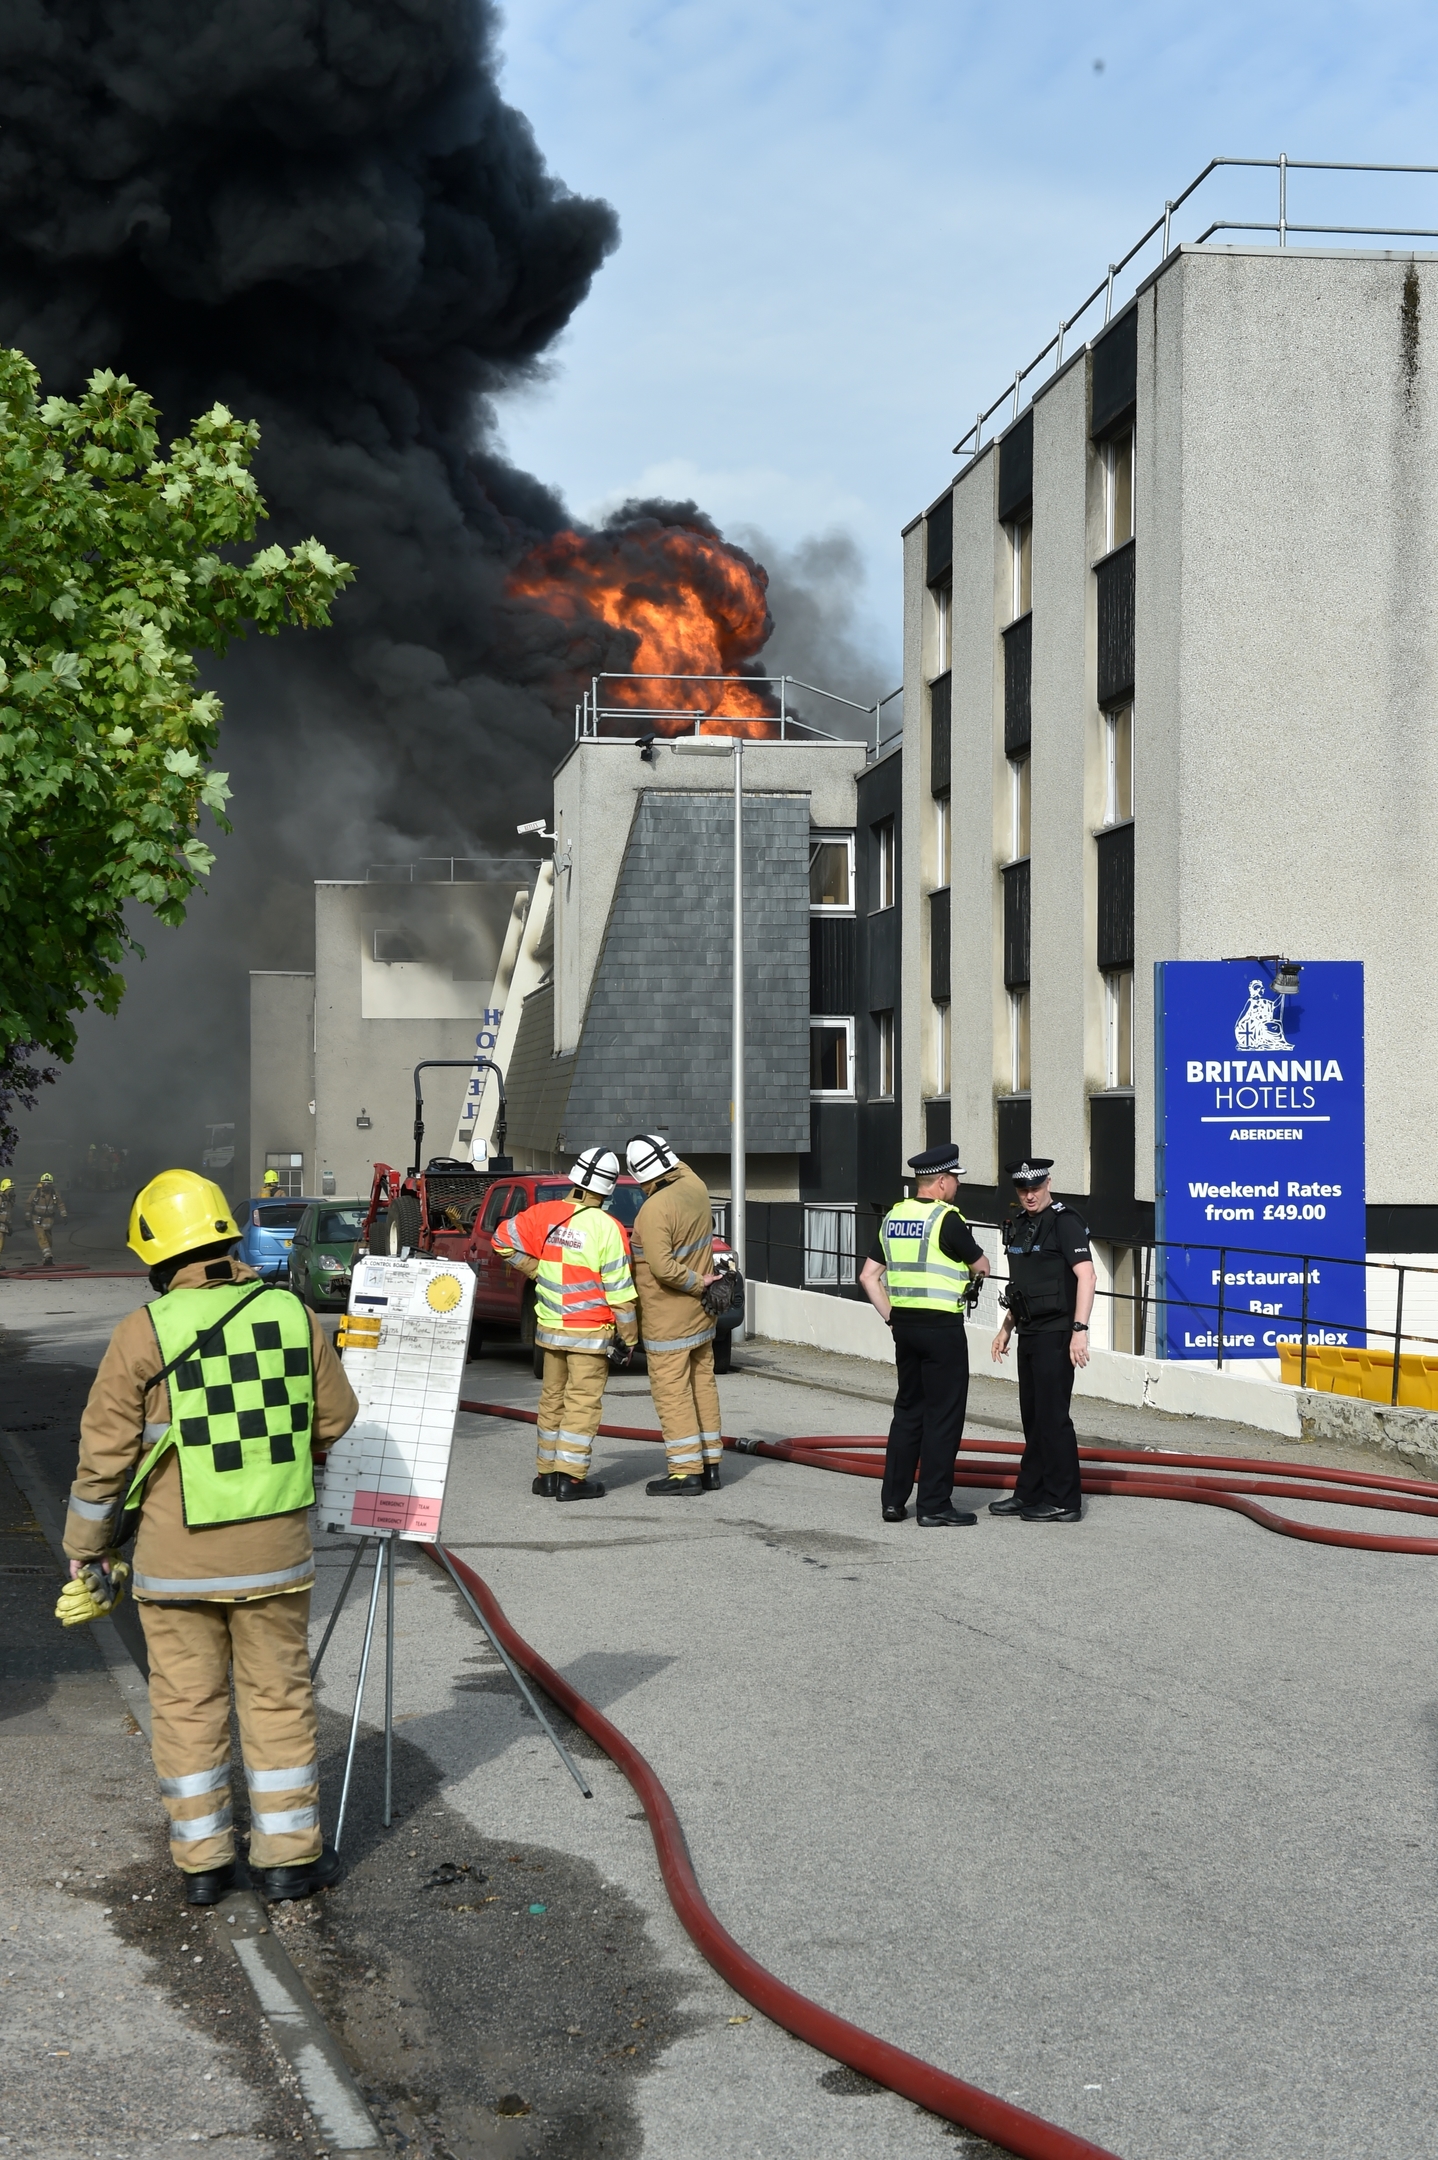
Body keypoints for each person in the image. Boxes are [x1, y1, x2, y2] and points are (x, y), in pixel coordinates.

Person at [60, 1169, 359, 1906]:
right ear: (227, 1236)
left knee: (187, 1706)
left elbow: (104, 1457)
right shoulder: (292, 1314)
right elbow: (335, 1418)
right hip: (275, 1558)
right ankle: (289, 1859)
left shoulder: (142, 1331)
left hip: (175, 1562)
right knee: (279, 1699)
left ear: (158, 1258)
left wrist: (88, 1546)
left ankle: (203, 1867)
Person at [494, 1148, 639, 1500]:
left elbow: (501, 1239)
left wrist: (535, 1269)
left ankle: (545, 1475)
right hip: (589, 1333)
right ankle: (571, 1479)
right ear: (605, 1191)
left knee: (552, 1401)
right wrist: (630, 1336)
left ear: (574, 1180)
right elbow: (620, 1292)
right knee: (582, 1404)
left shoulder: (543, 1215)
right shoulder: (608, 1227)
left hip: (550, 1330)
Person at [859, 1143, 991, 1527]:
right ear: (943, 1182)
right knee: (943, 1416)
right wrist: (974, 1274)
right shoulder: (947, 1219)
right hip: (941, 1330)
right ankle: (934, 1504)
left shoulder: (893, 1217)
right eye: (954, 1181)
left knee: (907, 1413)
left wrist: (892, 1319)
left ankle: (893, 1501)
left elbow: (868, 1276)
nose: (956, 1188)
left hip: (905, 1329)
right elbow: (980, 1265)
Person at [989, 1157, 1096, 1524]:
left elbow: (1088, 1277)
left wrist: (1079, 1331)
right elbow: (1023, 1286)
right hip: (1030, 1331)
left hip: (1057, 1333)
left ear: (1048, 1183)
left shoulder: (1065, 1222)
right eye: (1022, 1190)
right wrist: (1006, 1328)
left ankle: (1065, 1500)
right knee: (1033, 1418)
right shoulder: (1021, 1224)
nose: (1029, 1196)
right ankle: (1030, 1492)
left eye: (1035, 1188)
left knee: (1053, 1418)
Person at [625, 1134, 722, 1498]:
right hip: (700, 1316)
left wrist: (697, 1283)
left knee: (673, 1393)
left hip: (668, 1319)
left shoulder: (654, 1210)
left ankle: (685, 1472)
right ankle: (710, 1464)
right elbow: (677, 1166)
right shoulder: (695, 1185)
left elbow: (664, 1269)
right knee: (702, 1386)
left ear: (642, 1177)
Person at [26, 1171, 67, 1266]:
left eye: (49, 1183)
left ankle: (47, 1258)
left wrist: (64, 1215)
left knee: (49, 1240)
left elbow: (60, 1204)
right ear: (41, 1183)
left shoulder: (54, 1194)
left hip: (49, 1221)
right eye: (45, 1183)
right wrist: (27, 1218)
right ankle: (48, 1256)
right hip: (37, 1219)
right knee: (42, 1237)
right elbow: (28, 1205)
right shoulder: (35, 1193)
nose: (47, 1185)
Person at [0, 1176, 12, 1256]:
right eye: (10, 1189)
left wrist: (9, 1227)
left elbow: (8, 1215)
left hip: (4, 1226)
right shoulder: (0, 1198)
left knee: (1, 1246)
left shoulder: (7, 1200)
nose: (12, 1191)